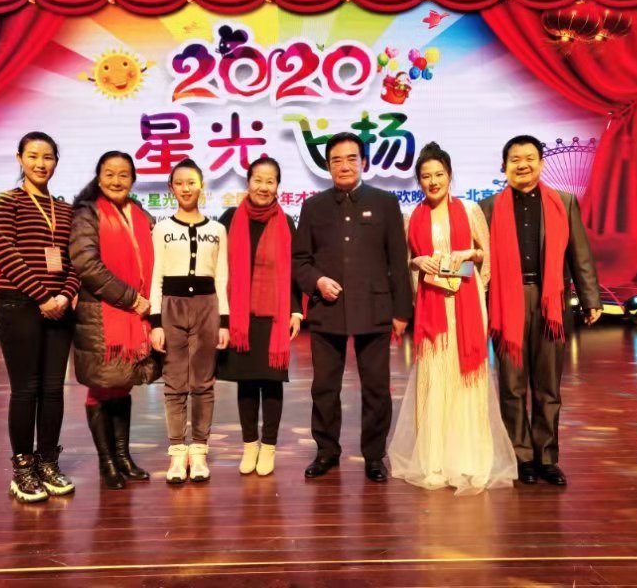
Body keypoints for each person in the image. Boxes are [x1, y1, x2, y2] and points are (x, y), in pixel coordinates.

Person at [387, 143, 517, 495]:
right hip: (431, 306)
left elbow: (487, 255)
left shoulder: (470, 209)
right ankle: (434, 461)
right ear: (418, 180)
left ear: (449, 175)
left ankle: (470, 460)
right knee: (434, 379)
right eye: (426, 176)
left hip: (466, 305)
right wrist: (417, 262)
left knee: (467, 379)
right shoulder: (411, 217)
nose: (433, 182)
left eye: (439, 174)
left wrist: (468, 256)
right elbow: (403, 263)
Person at [480, 135, 602, 486]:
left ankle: (547, 457)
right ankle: (520, 458)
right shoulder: (488, 208)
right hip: (506, 302)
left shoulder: (563, 202)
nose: (523, 165)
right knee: (512, 385)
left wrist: (591, 299)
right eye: (515, 159)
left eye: (530, 158)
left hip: (551, 302)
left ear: (541, 163)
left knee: (548, 387)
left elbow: (579, 253)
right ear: (504, 166)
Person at [292, 132, 413, 483]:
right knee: (324, 387)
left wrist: (401, 312)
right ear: (327, 166)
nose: (344, 166)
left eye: (351, 159)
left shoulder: (385, 203)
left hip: (374, 309)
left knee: (376, 388)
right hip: (327, 310)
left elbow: (397, 262)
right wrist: (317, 281)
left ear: (364, 162)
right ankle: (326, 451)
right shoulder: (313, 206)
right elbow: (300, 260)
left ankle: (374, 456)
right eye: (336, 160)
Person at [0, 131, 80, 503]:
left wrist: (65, 295)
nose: (41, 164)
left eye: (48, 157)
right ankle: (23, 469)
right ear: (20, 158)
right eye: (33, 156)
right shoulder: (6, 201)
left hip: (60, 306)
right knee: (26, 389)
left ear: (56, 161)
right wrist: (42, 296)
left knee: (53, 389)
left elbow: (75, 260)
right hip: (19, 304)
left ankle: (48, 463)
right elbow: (4, 251)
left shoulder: (65, 210)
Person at [70, 151, 158, 490]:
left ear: (133, 179)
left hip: (136, 316)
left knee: (122, 382)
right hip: (102, 314)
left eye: (124, 174)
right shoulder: (87, 213)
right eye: (109, 174)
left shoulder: (140, 214)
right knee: (102, 384)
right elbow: (86, 264)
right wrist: (131, 298)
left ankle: (123, 457)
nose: (116, 181)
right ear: (98, 176)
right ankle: (107, 462)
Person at [217, 157, 303, 477]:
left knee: (272, 381)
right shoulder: (229, 219)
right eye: (258, 180)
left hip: (274, 316)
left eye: (270, 181)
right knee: (247, 382)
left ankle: (268, 446)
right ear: (248, 182)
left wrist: (296, 310)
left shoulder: (286, 223)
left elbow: (293, 272)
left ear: (278, 186)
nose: (264, 187)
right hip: (240, 316)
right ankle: (249, 445)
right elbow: (219, 268)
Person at [149, 159, 229, 484]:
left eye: (191, 182)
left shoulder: (217, 230)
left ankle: (199, 451)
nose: (186, 188)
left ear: (201, 185)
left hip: (207, 307)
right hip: (172, 306)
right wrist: (156, 321)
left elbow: (222, 277)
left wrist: (223, 321)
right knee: (174, 382)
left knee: (203, 383)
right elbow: (156, 275)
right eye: (179, 183)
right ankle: (177, 453)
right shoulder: (162, 229)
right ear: (171, 188)